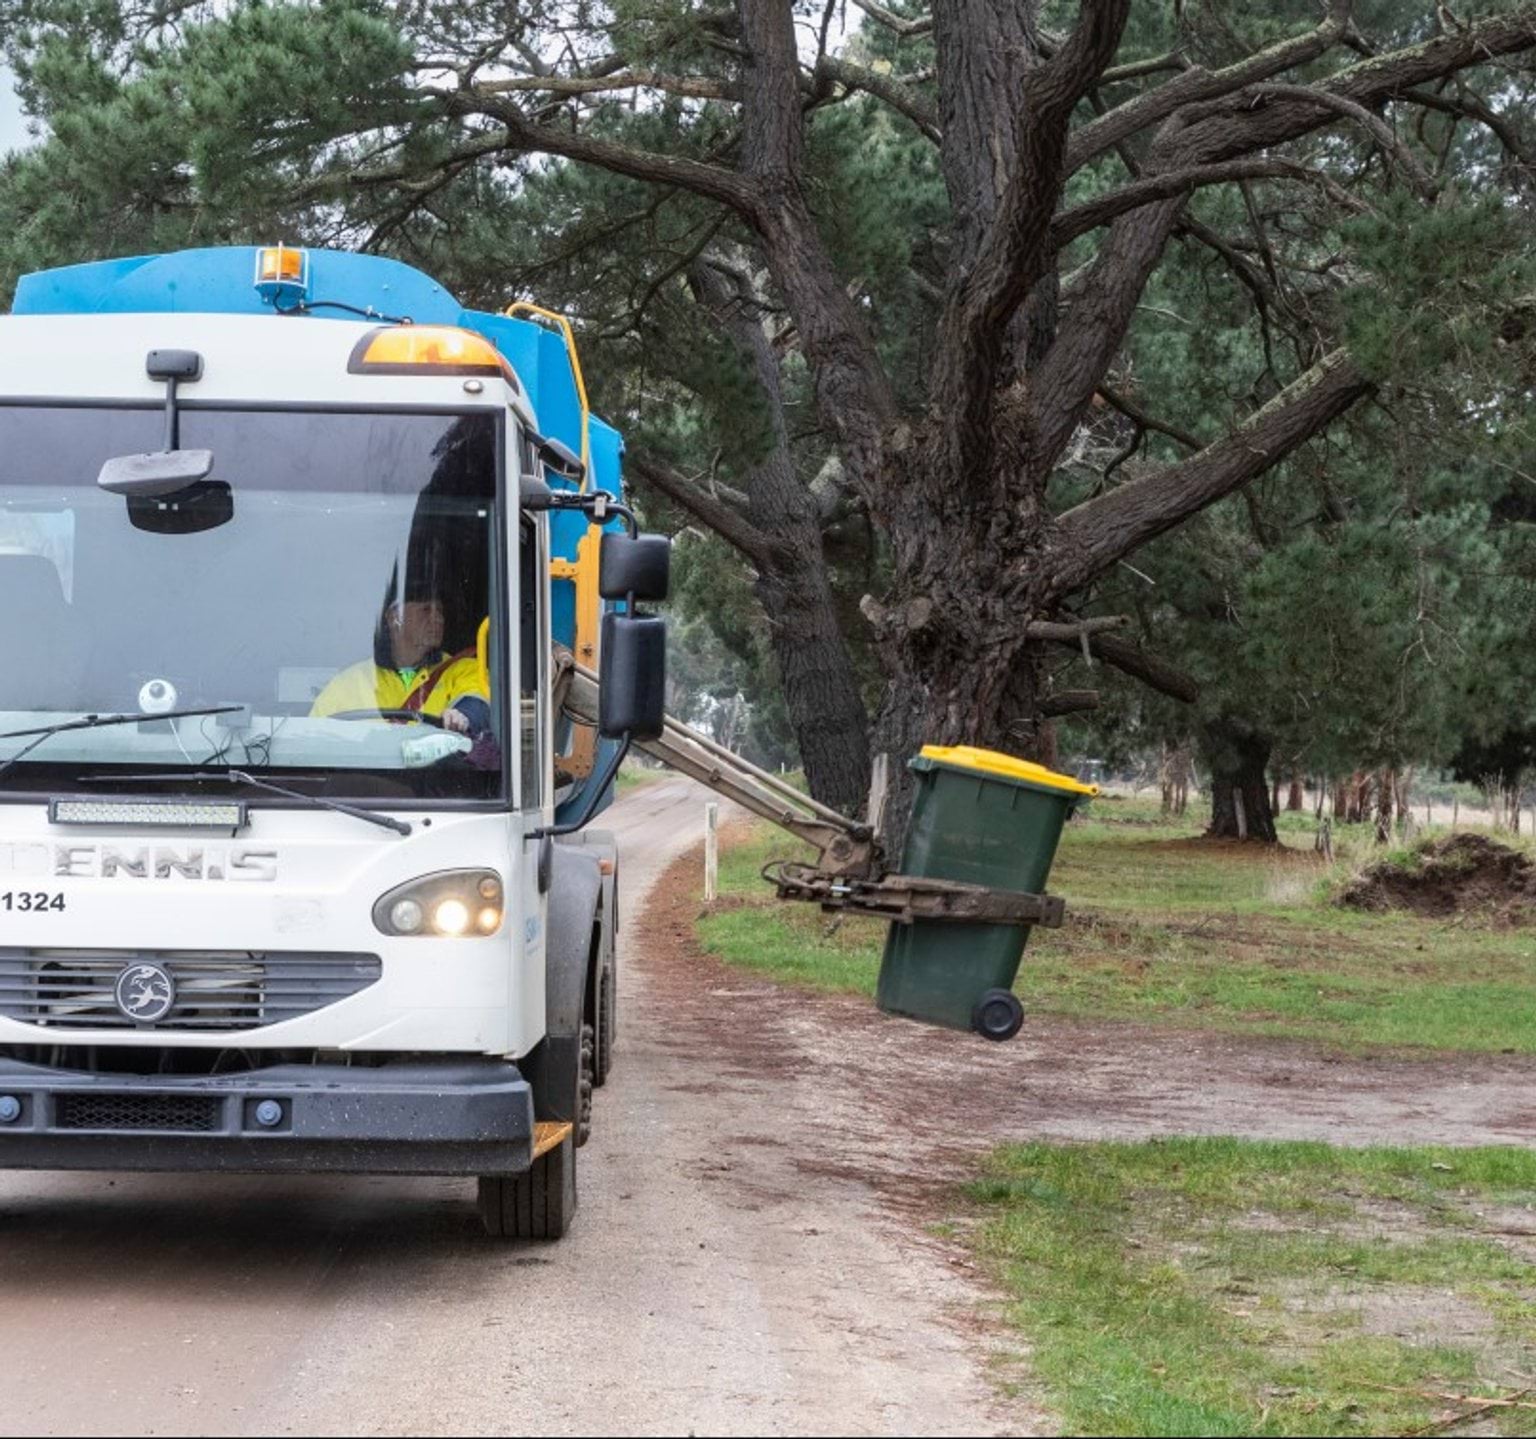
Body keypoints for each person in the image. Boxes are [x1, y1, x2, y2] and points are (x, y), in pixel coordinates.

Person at [311, 572, 489, 733]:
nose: (438, 618)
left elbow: (477, 700)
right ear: (395, 616)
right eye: (426, 610)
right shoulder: (347, 684)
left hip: (439, 770)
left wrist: (463, 715)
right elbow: (312, 739)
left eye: (440, 611)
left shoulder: (463, 669)